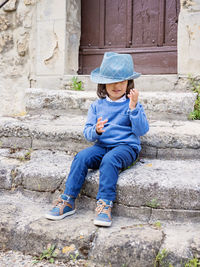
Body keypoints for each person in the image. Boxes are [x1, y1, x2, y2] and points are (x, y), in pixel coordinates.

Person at [45, 52, 149, 227]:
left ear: (129, 83)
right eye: (112, 81)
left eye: (122, 81)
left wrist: (133, 108)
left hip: (125, 148)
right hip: (102, 145)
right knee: (81, 157)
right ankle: (68, 200)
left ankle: (104, 203)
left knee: (110, 160)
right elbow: (87, 132)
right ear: (103, 83)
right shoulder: (97, 106)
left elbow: (142, 130)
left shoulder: (132, 104)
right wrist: (96, 131)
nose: (117, 85)